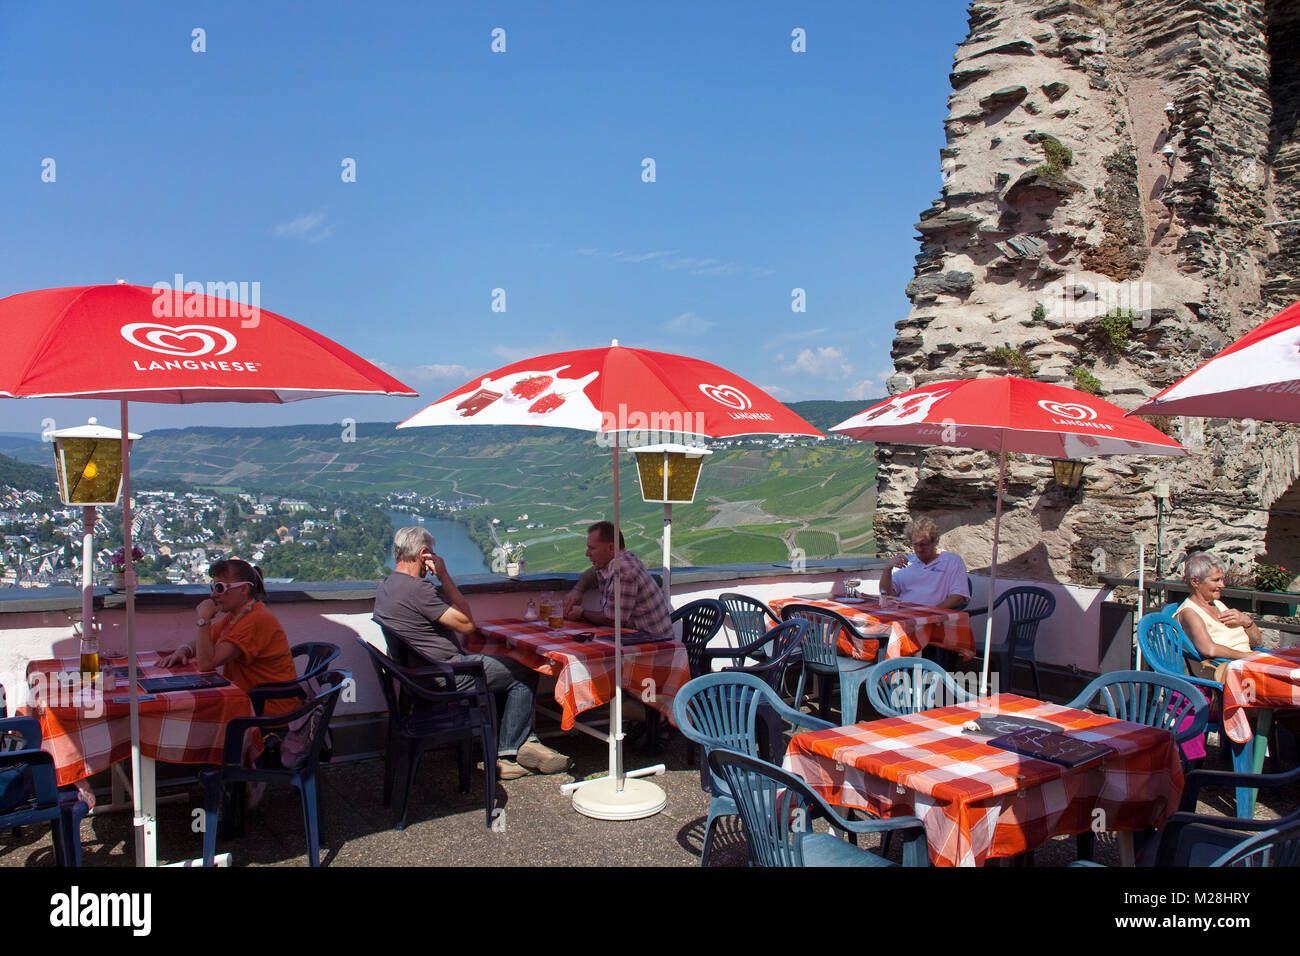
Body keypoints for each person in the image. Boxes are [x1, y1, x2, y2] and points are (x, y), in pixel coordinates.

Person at [373, 526, 570, 780]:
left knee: (503, 669)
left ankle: (525, 741)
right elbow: (467, 623)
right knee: (523, 671)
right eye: (432, 554)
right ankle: (509, 753)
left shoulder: (387, 585)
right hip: (447, 674)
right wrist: (444, 576)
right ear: (424, 555)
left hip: (417, 676)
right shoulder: (417, 589)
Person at [161, 558, 299, 716]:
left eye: (220, 588)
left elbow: (206, 663)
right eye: (213, 587)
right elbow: (206, 642)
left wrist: (203, 619)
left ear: (244, 589)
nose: (213, 594)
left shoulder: (256, 620)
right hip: (250, 702)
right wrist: (183, 650)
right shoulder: (239, 614)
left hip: (268, 712)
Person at [562, 521, 673, 638]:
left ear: (610, 548)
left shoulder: (624, 571)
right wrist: (578, 590)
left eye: (592, 548)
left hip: (655, 643)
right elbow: (594, 572)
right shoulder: (616, 561)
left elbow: (613, 620)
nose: (587, 553)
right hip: (633, 636)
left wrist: (581, 613)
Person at [1175, 551, 1260, 681]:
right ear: (1195, 582)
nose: (1222, 585)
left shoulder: (1218, 605)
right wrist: (1247, 656)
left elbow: (1257, 642)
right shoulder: (1189, 613)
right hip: (1223, 670)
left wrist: (1247, 622)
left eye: (1222, 579)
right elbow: (1209, 650)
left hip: (1244, 664)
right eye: (1216, 580)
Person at [879, 516, 970, 610]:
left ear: (934, 542)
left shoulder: (952, 561)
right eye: (916, 544)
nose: (919, 549)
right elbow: (886, 593)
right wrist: (887, 569)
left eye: (924, 545)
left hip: (935, 617)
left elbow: (958, 597)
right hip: (905, 614)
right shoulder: (906, 562)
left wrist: (930, 613)